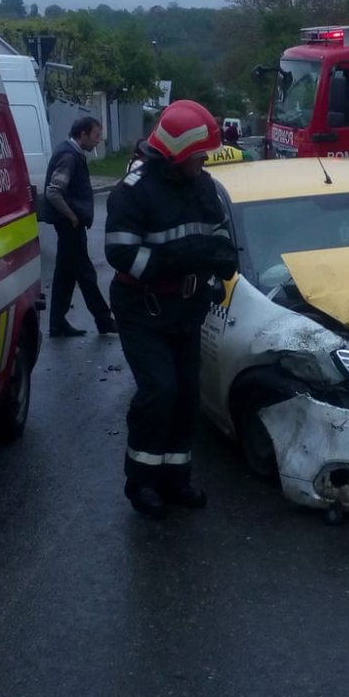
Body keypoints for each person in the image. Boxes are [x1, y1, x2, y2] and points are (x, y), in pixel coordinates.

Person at [104, 101, 238, 518]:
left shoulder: (203, 185)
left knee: (186, 395)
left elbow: (217, 237)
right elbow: (120, 253)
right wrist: (179, 261)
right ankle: (141, 483)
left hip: (186, 307)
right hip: (142, 308)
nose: (203, 162)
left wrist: (218, 267)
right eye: (198, 157)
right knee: (159, 390)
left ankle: (176, 478)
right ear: (178, 154)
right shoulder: (133, 191)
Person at [44, 116, 117, 337]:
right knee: (85, 273)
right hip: (69, 226)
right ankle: (104, 320)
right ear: (82, 134)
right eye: (95, 135)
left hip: (70, 224)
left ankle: (57, 323)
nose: (98, 141)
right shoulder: (69, 156)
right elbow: (53, 191)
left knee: (65, 274)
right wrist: (72, 216)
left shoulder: (73, 153)